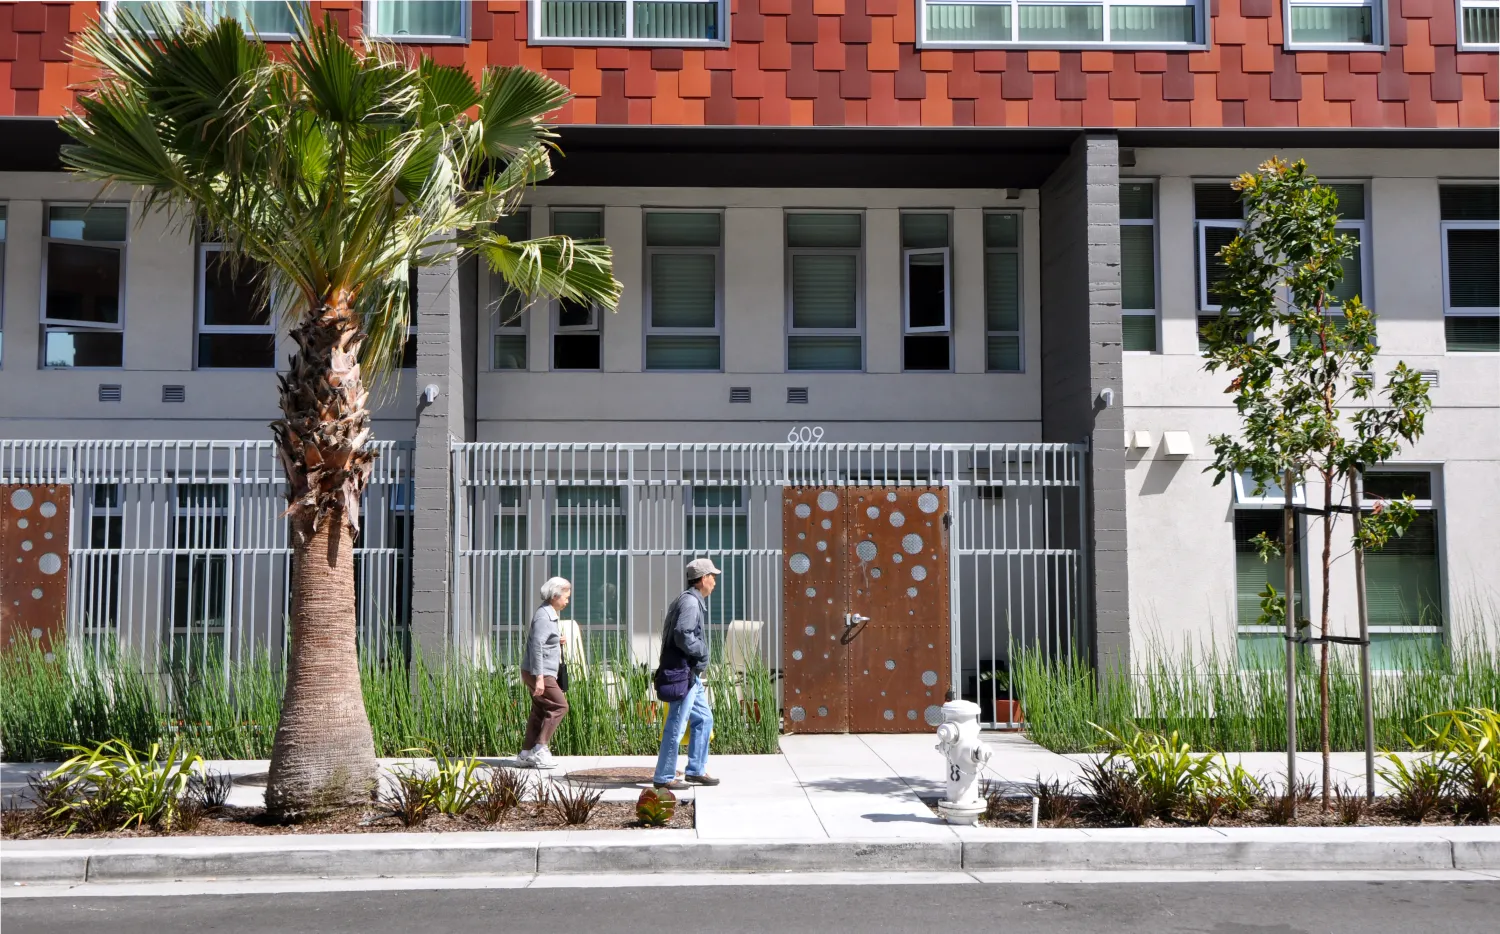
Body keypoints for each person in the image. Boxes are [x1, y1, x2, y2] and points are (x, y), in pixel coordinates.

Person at [652, 558, 722, 790]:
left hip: (690, 674)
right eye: (712, 576)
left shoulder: (689, 600)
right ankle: (664, 776)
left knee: (704, 718)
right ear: (703, 579)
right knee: (677, 723)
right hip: (684, 672)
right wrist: (701, 650)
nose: (714, 581)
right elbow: (683, 633)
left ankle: (695, 770)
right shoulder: (691, 603)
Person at [519, 577, 571, 769]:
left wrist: (557, 640)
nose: (567, 601)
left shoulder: (548, 614)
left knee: (540, 710)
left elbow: (543, 641)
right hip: (540, 672)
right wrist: (540, 677)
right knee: (560, 706)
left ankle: (526, 753)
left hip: (536, 671)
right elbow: (536, 646)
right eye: (565, 597)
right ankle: (540, 748)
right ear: (555, 595)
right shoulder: (544, 616)